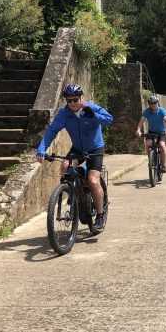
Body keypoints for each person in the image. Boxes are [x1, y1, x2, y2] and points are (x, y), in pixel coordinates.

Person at [36, 84, 113, 231]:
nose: (72, 103)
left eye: (75, 99)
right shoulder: (64, 113)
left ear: (81, 98)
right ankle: (73, 191)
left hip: (95, 148)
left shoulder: (91, 108)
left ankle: (100, 215)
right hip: (78, 148)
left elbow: (109, 120)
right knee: (65, 167)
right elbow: (52, 130)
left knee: (93, 180)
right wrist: (41, 149)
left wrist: (94, 115)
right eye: (69, 100)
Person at [136, 95, 166, 172]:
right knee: (147, 144)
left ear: (157, 102)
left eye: (154, 103)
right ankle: (150, 160)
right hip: (152, 132)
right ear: (149, 104)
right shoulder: (147, 111)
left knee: (162, 145)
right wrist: (138, 130)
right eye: (151, 103)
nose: (153, 104)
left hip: (162, 132)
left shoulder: (162, 110)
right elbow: (141, 122)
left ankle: (163, 165)